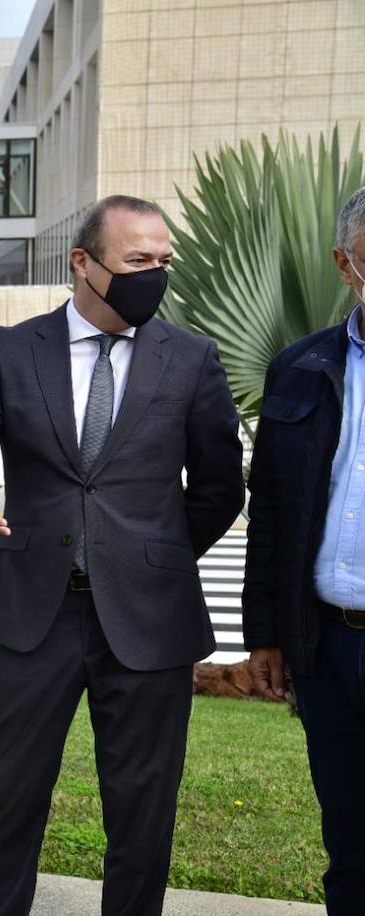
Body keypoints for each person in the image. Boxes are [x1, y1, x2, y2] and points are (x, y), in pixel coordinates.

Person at [0, 195, 244, 916]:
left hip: (149, 620)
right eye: (138, 261)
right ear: (83, 263)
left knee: (142, 811)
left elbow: (221, 488)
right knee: (9, 797)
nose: (155, 274)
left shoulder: (192, 359)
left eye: (165, 261)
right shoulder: (11, 349)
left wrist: (149, 557)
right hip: (32, 615)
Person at [243, 186, 365, 914]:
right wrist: (265, 634)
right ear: (346, 263)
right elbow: (273, 513)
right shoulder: (300, 367)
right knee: (349, 848)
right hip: (330, 650)